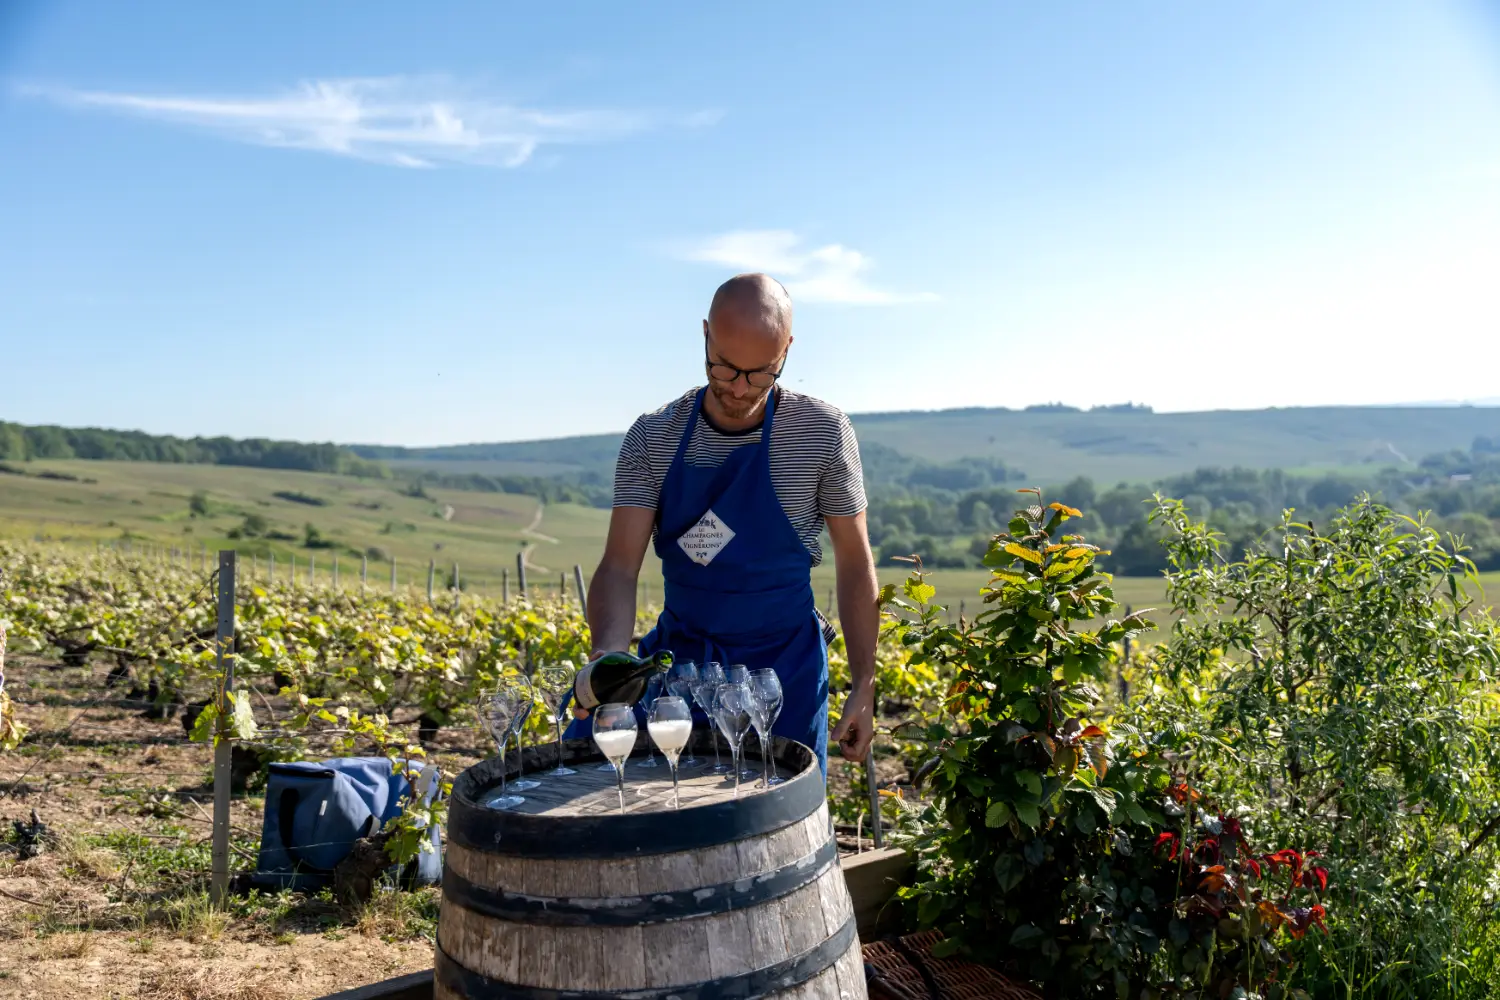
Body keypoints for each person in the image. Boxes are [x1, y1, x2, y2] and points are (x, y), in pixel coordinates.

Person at [565, 273, 878, 779]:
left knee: (777, 811)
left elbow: (856, 562)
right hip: (682, 670)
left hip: (783, 677)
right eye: (725, 368)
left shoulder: (821, 433)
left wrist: (864, 682)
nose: (739, 388)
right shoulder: (654, 437)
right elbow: (619, 567)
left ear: (787, 350)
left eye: (761, 374)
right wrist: (612, 655)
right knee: (600, 782)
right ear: (706, 335)